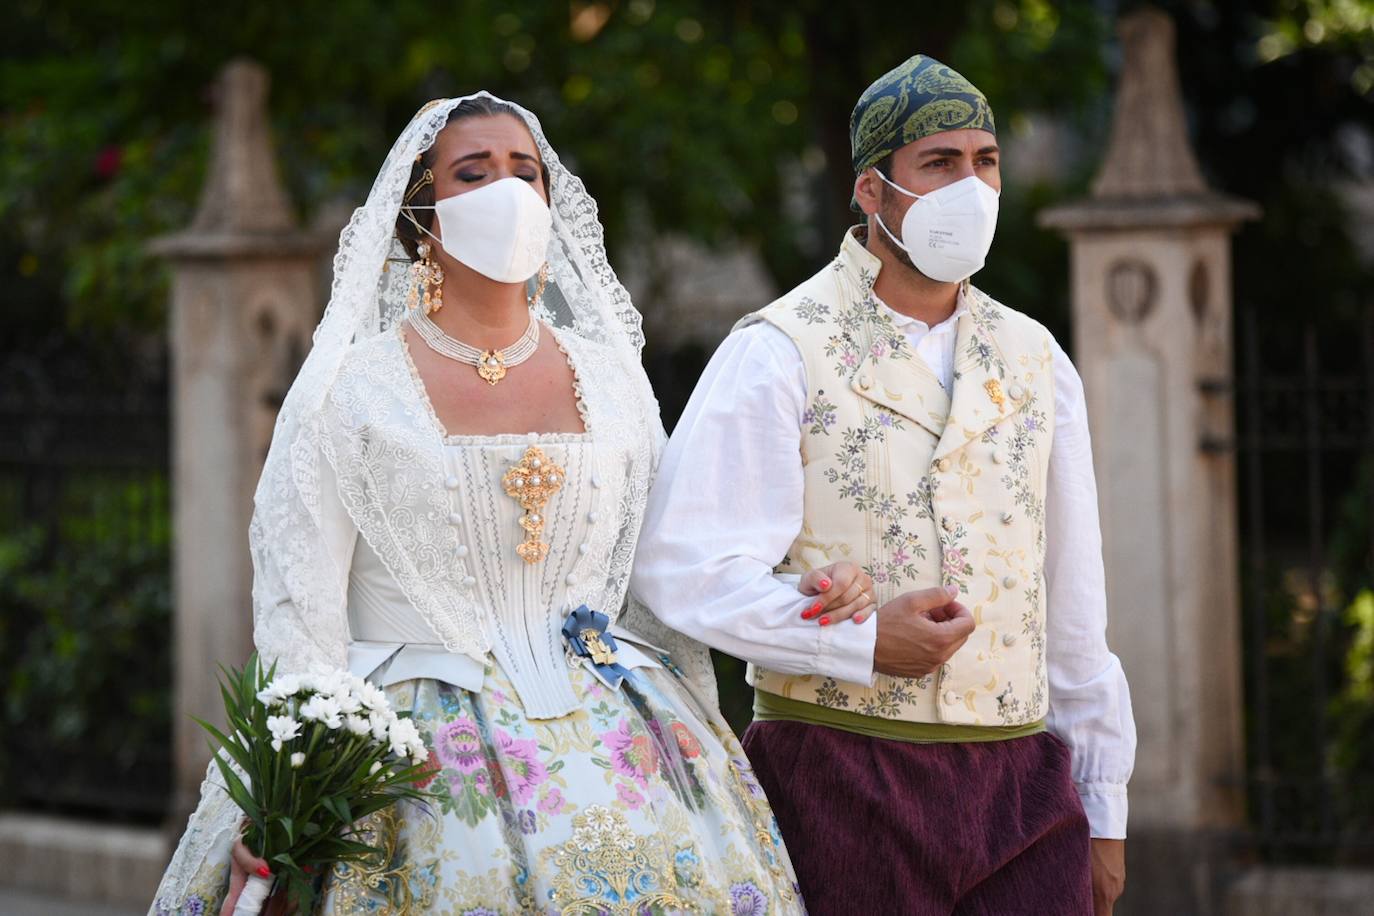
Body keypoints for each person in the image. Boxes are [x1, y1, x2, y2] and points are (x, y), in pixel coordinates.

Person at [149, 92, 831, 915]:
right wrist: (293, 800)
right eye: (473, 173)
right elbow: (301, 607)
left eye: (526, 171)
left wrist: (800, 592)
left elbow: (670, 566)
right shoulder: (354, 390)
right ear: (420, 218)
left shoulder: (611, 380)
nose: (508, 190)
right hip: (410, 755)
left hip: (625, 736)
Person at [632, 55, 1137, 915]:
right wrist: (855, 645)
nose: (970, 186)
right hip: (838, 777)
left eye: (986, 161)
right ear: (872, 193)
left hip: (1025, 792)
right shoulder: (779, 349)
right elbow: (683, 569)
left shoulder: (1035, 359)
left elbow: (1075, 612)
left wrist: (1106, 805)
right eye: (939, 164)